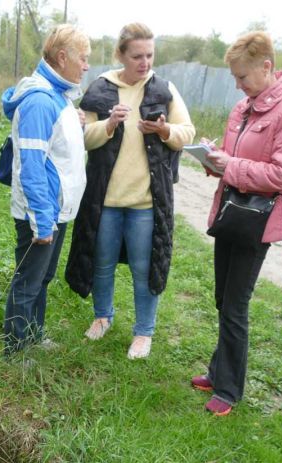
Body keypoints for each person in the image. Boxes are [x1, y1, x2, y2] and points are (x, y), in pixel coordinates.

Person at [190, 32, 282, 415]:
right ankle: (218, 369)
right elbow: (233, 160)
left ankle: (228, 390)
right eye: (235, 78)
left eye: (243, 76)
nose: (238, 85)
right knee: (222, 298)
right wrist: (214, 160)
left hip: (255, 221)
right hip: (229, 213)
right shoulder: (242, 108)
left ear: (267, 67)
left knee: (236, 304)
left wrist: (234, 166)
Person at [65, 23, 195, 359]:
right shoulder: (101, 87)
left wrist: (165, 129)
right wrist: (108, 125)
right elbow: (82, 137)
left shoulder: (164, 89)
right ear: (121, 54)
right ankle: (102, 316)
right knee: (102, 263)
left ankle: (143, 333)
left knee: (144, 267)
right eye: (137, 55)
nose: (145, 62)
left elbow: (187, 133)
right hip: (105, 199)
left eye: (150, 55)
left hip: (146, 203)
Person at [1, 25, 91, 356]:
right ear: (63, 57)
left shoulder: (59, 97)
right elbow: (31, 165)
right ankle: (15, 350)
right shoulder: (40, 100)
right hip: (41, 212)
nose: (86, 66)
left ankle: (34, 336)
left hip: (57, 209)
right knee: (27, 282)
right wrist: (41, 218)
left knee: (43, 278)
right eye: (83, 59)